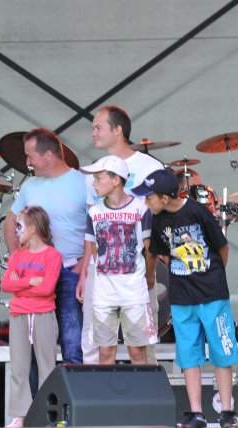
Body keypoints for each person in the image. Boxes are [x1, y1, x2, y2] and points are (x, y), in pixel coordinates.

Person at [134, 169, 238, 428]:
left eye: (149, 197)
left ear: (164, 197)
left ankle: (227, 413)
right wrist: (152, 276)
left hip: (211, 294)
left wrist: (212, 274)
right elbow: (157, 252)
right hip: (182, 297)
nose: (146, 202)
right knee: (188, 354)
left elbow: (221, 246)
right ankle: (196, 414)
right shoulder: (157, 219)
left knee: (221, 350)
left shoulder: (197, 211)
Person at [86, 105, 164, 363]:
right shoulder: (95, 172)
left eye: (98, 127)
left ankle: (146, 389)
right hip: (105, 281)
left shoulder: (149, 166)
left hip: (138, 279)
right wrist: (87, 269)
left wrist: (150, 271)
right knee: (101, 347)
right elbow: (92, 235)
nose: (93, 132)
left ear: (118, 130)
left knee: (142, 350)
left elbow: (161, 214)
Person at [4, 128, 88, 364]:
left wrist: (85, 263)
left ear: (49, 155)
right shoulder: (30, 185)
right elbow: (10, 220)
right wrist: (16, 259)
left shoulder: (83, 183)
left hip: (70, 269)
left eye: (30, 156)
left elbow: (96, 226)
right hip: (35, 272)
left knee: (72, 341)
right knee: (33, 343)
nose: (27, 162)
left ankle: (74, 385)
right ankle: (36, 389)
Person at [76, 155, 157, 364]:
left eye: (98, 178)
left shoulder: (140, 209)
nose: (94, 183)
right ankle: (106, 387)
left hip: (134, 292)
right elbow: (93, 247)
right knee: (105, 352)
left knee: (137, 351)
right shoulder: (94, 212)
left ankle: (142, 387)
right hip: (104, 294)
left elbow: (149, 249)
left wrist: (149, 276)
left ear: (116, 180)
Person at [1, 206, 61, 428]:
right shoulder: (17, 255)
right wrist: (29, 281)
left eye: (20, 226)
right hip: (19, 315)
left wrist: (20, 284)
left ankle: (47, 413)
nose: (16, 231)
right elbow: (6, 284)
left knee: (47, 366)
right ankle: (20, 415)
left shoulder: (52, 255)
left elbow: (47, 288)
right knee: (19, 367)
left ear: (33, 228)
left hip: (43, 314)